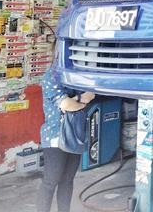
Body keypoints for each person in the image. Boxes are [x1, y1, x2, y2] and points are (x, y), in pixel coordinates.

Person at [37, 67, 95, 212]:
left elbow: (91, 95)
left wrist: (75, 101)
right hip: (55, 136)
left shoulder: (79, 75)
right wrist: (80, 99)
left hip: (76, 134)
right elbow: (66, 105)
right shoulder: (52, 75)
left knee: (67, 181)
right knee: (51, 181)